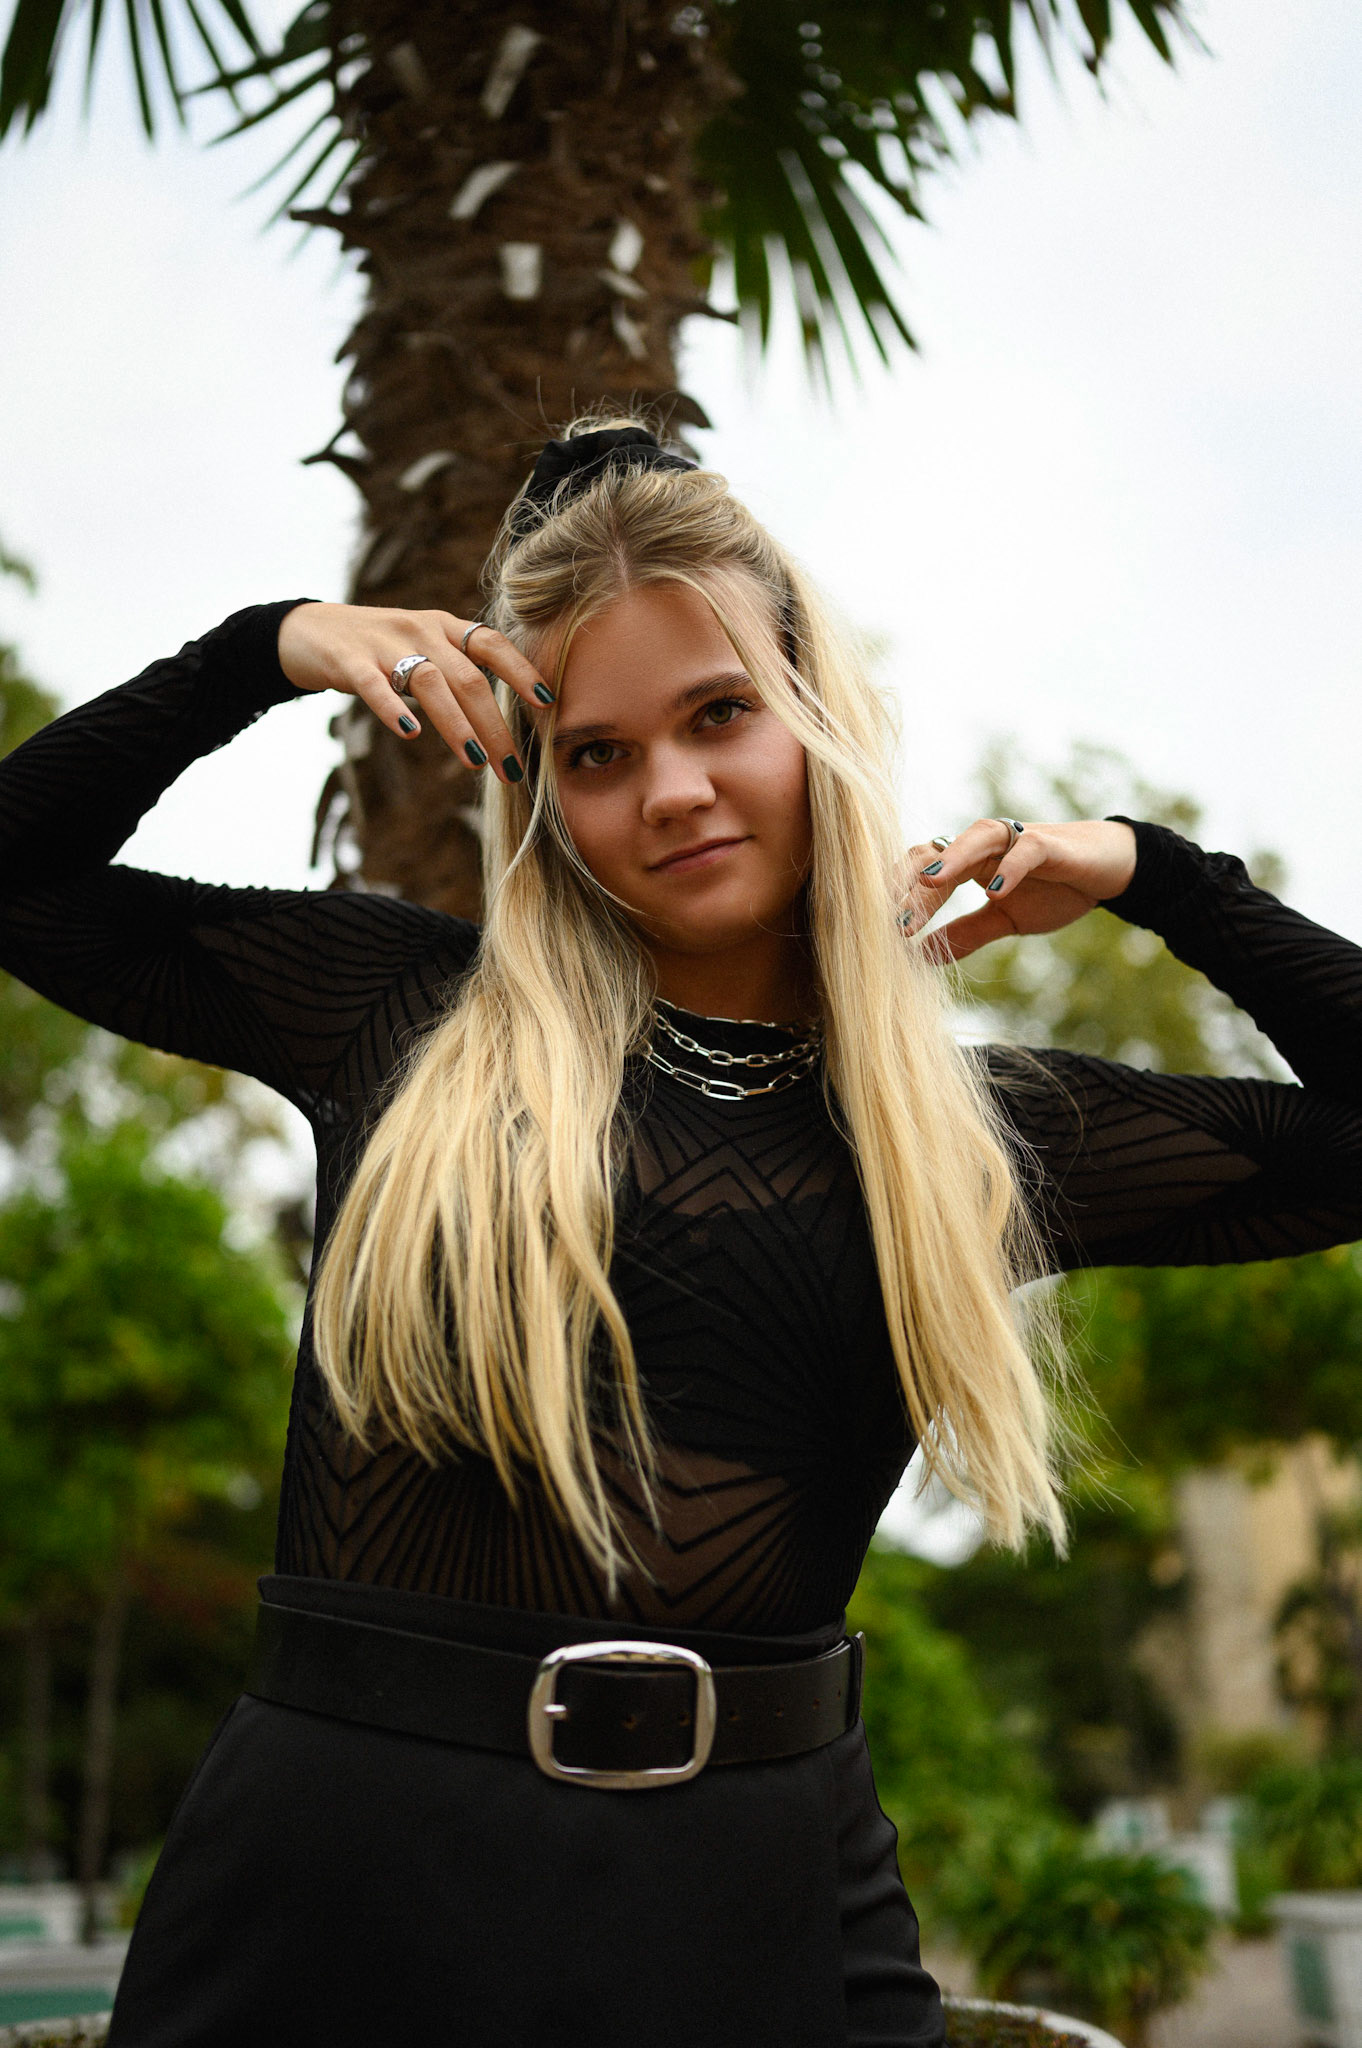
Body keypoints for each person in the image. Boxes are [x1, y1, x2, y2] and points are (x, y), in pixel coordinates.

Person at [1, 419, 1359, 2048]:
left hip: (761, 1908)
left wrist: (1155, 873)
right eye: (596, 753)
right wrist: (260, 652)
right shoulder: (400, 1013)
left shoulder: (967, 1141)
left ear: (813, 716)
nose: (672, 791)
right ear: (540, 794)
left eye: (720, 714)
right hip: (330, 1890)